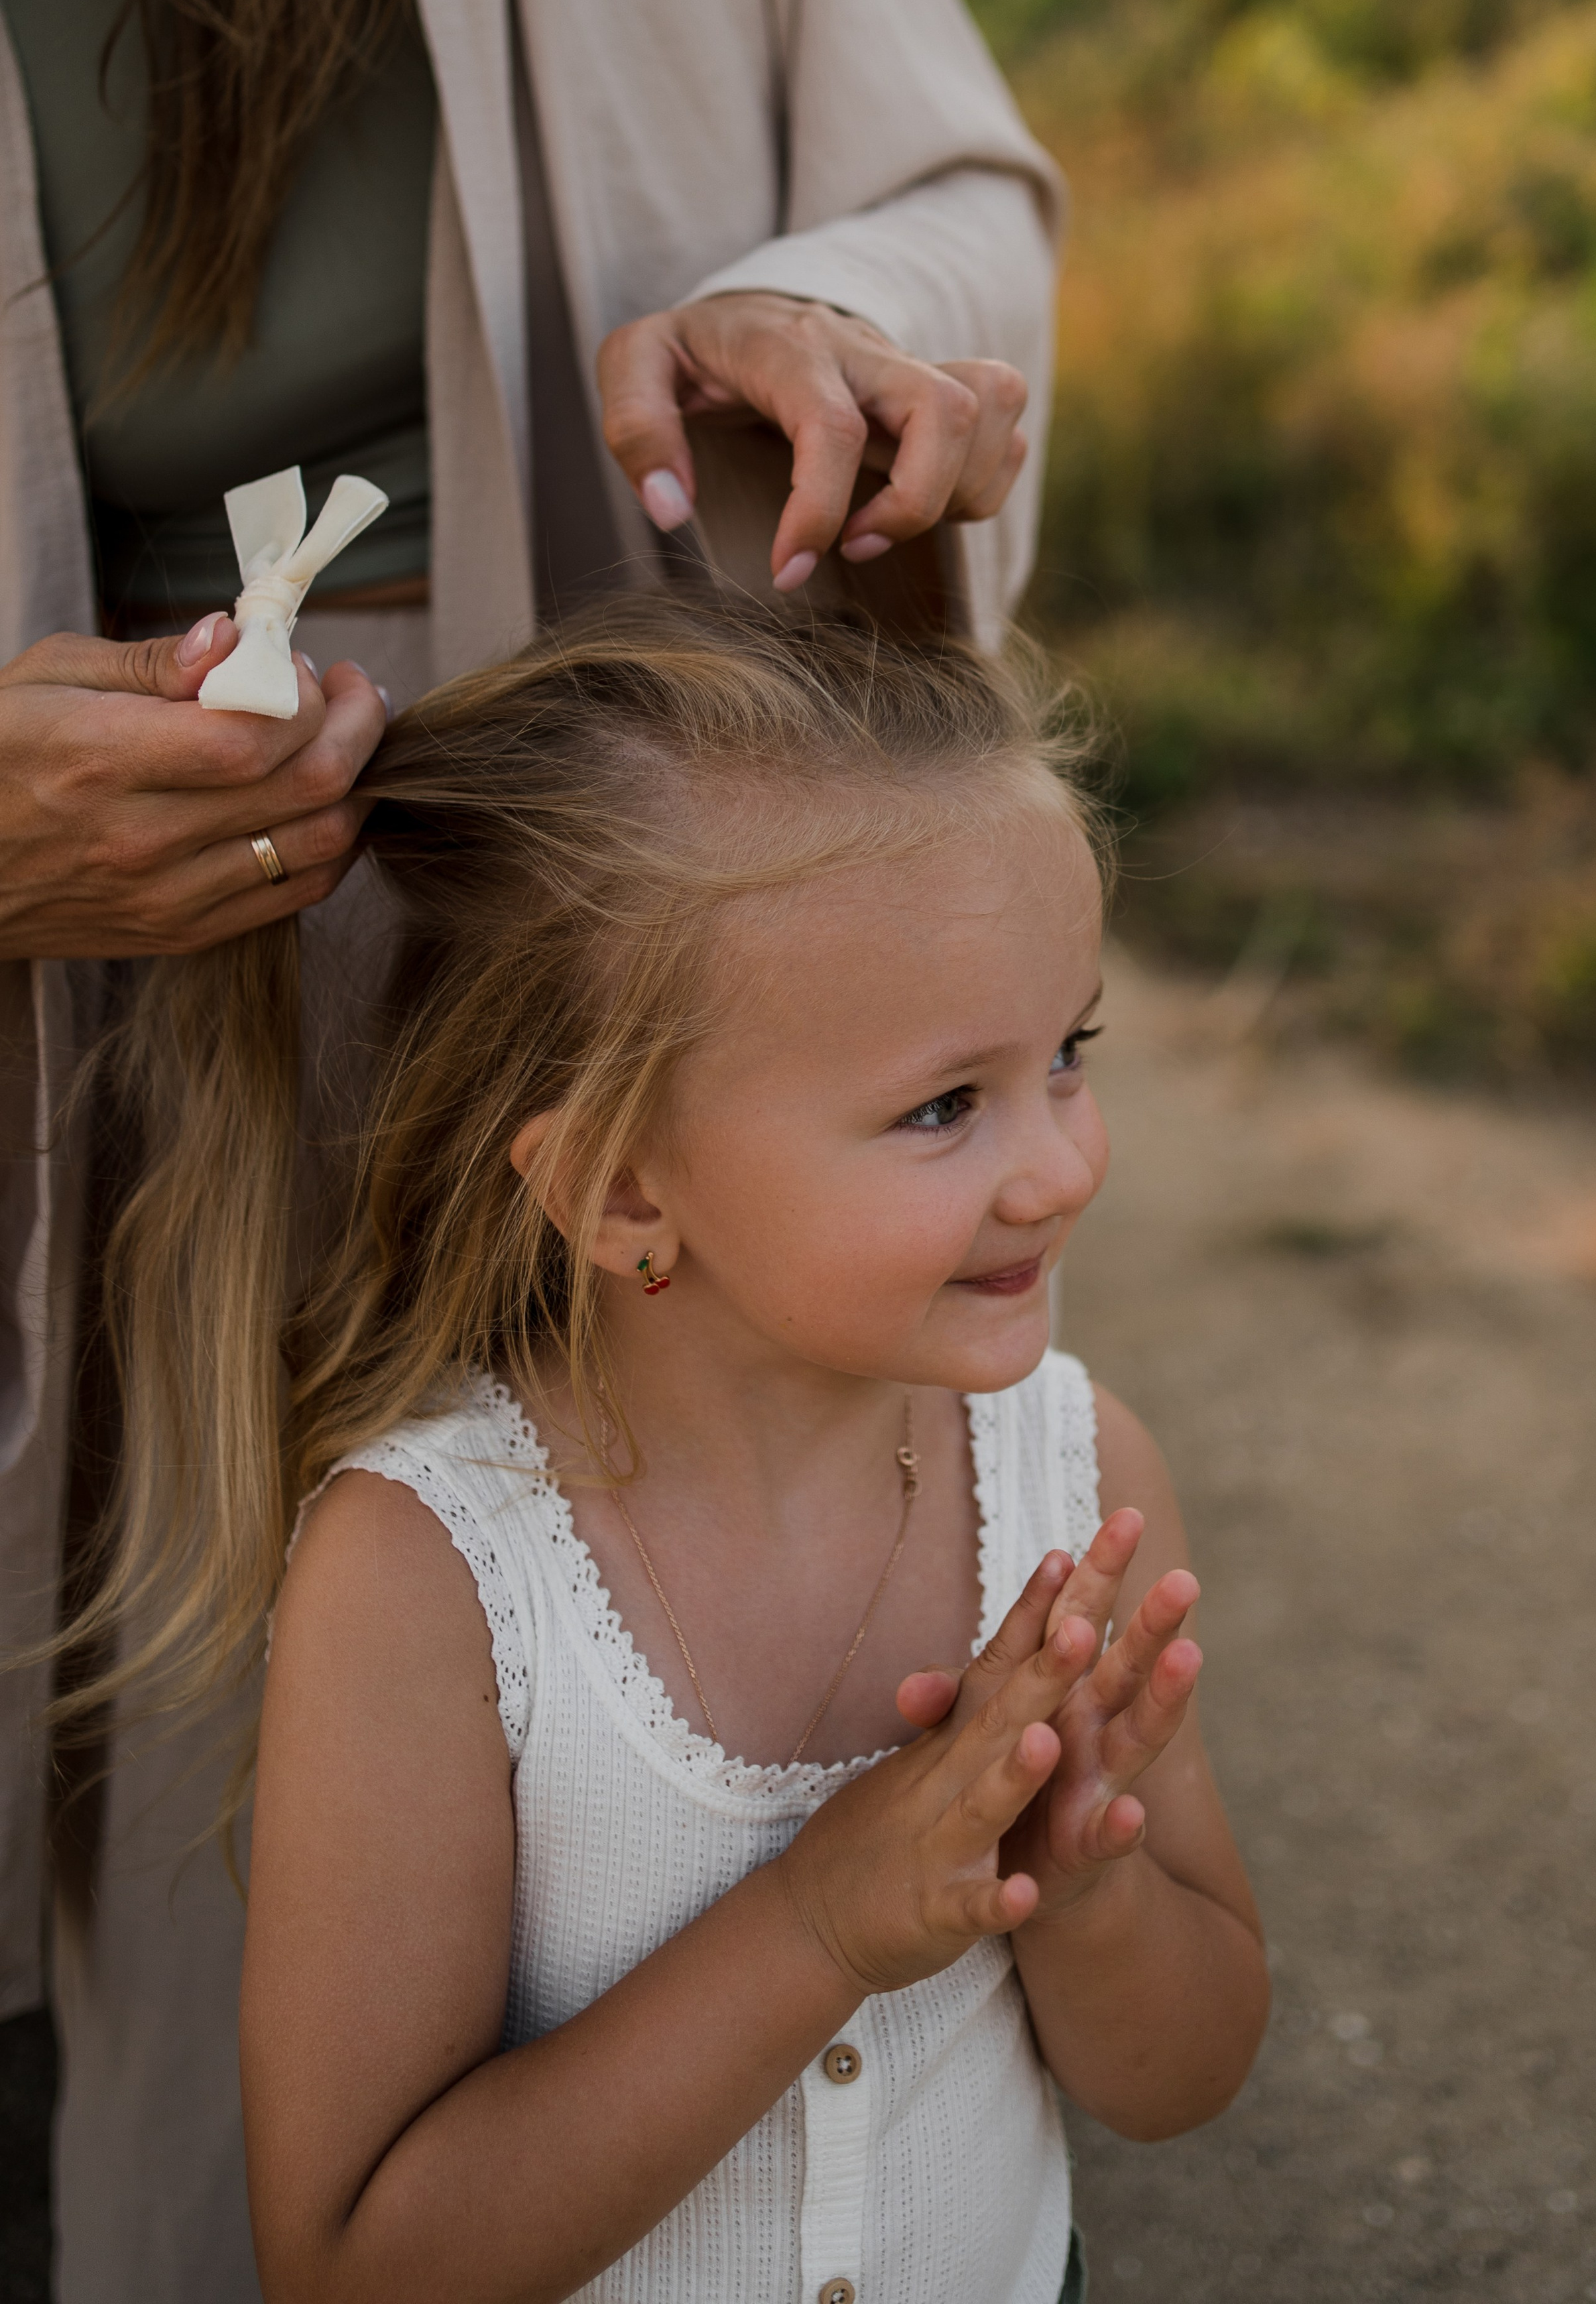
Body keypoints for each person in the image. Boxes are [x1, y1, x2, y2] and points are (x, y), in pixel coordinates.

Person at [0, 0, 1058, 2293]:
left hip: (636, 928)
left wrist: (840, 317)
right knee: (214, 1785)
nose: (1062, 1161)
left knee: (693, 1678)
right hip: (109, 1033)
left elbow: (954, 198)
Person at [105, 596, 1268, 2303]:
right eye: (945, 1105)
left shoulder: (1075, 1483)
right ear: (621, 1191)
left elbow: (1186, 2078)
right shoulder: (434, 1573)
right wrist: (818, 1924)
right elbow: (352, 2265)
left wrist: (1086, 1898)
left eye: (1066, 1058)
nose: (1059, 1169)